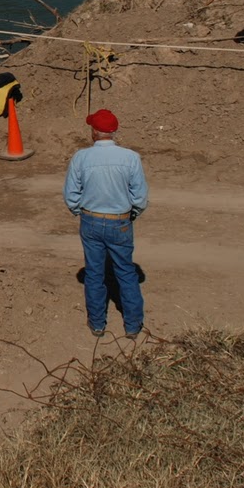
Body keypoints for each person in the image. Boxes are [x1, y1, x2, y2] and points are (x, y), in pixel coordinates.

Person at [63, 108, 148, 338]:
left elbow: (71, 193)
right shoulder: (130, 157)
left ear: (93, 132)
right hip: (119, 221)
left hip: (90, 219)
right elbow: (140, 196)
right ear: (114, 132)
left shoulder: (81, 157)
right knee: (126, 272)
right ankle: (132, 325)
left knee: (94, 273)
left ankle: (98, 323)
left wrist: (78, 210)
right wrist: (132, 214)